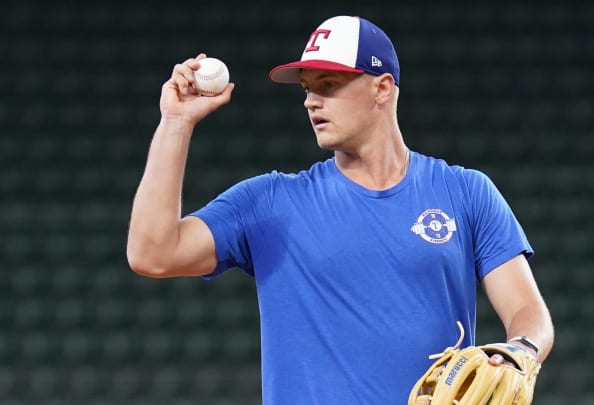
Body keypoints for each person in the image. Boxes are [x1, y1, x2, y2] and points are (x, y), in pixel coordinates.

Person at [127, 15, 554, 404]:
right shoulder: (270, 203)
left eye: (329, 84)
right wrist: (176, 124)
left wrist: (519, 351)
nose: (312, 100)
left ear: (382, 87)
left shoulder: (465, 192)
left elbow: (528, 313)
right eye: (307, 88)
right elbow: (152, 253)